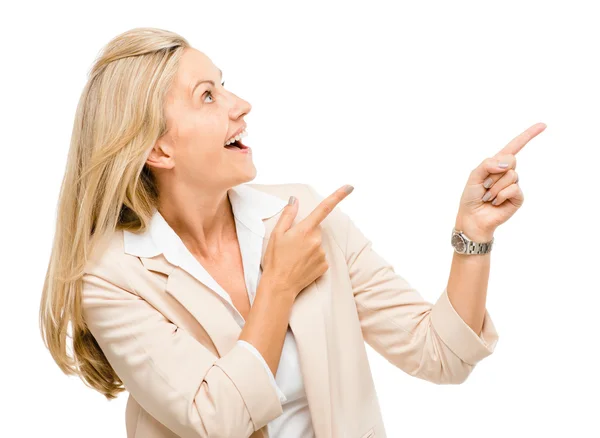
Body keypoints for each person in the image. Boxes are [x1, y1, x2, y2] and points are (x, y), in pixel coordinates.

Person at [39, 27, 545, 438]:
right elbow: (218, 420)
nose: (241, 105)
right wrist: (279, 285)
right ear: (160, 151)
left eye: (224, 84)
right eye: (208, 96)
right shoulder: (110, 276)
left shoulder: (302, 216)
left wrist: (472, 235)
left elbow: (441, 354)